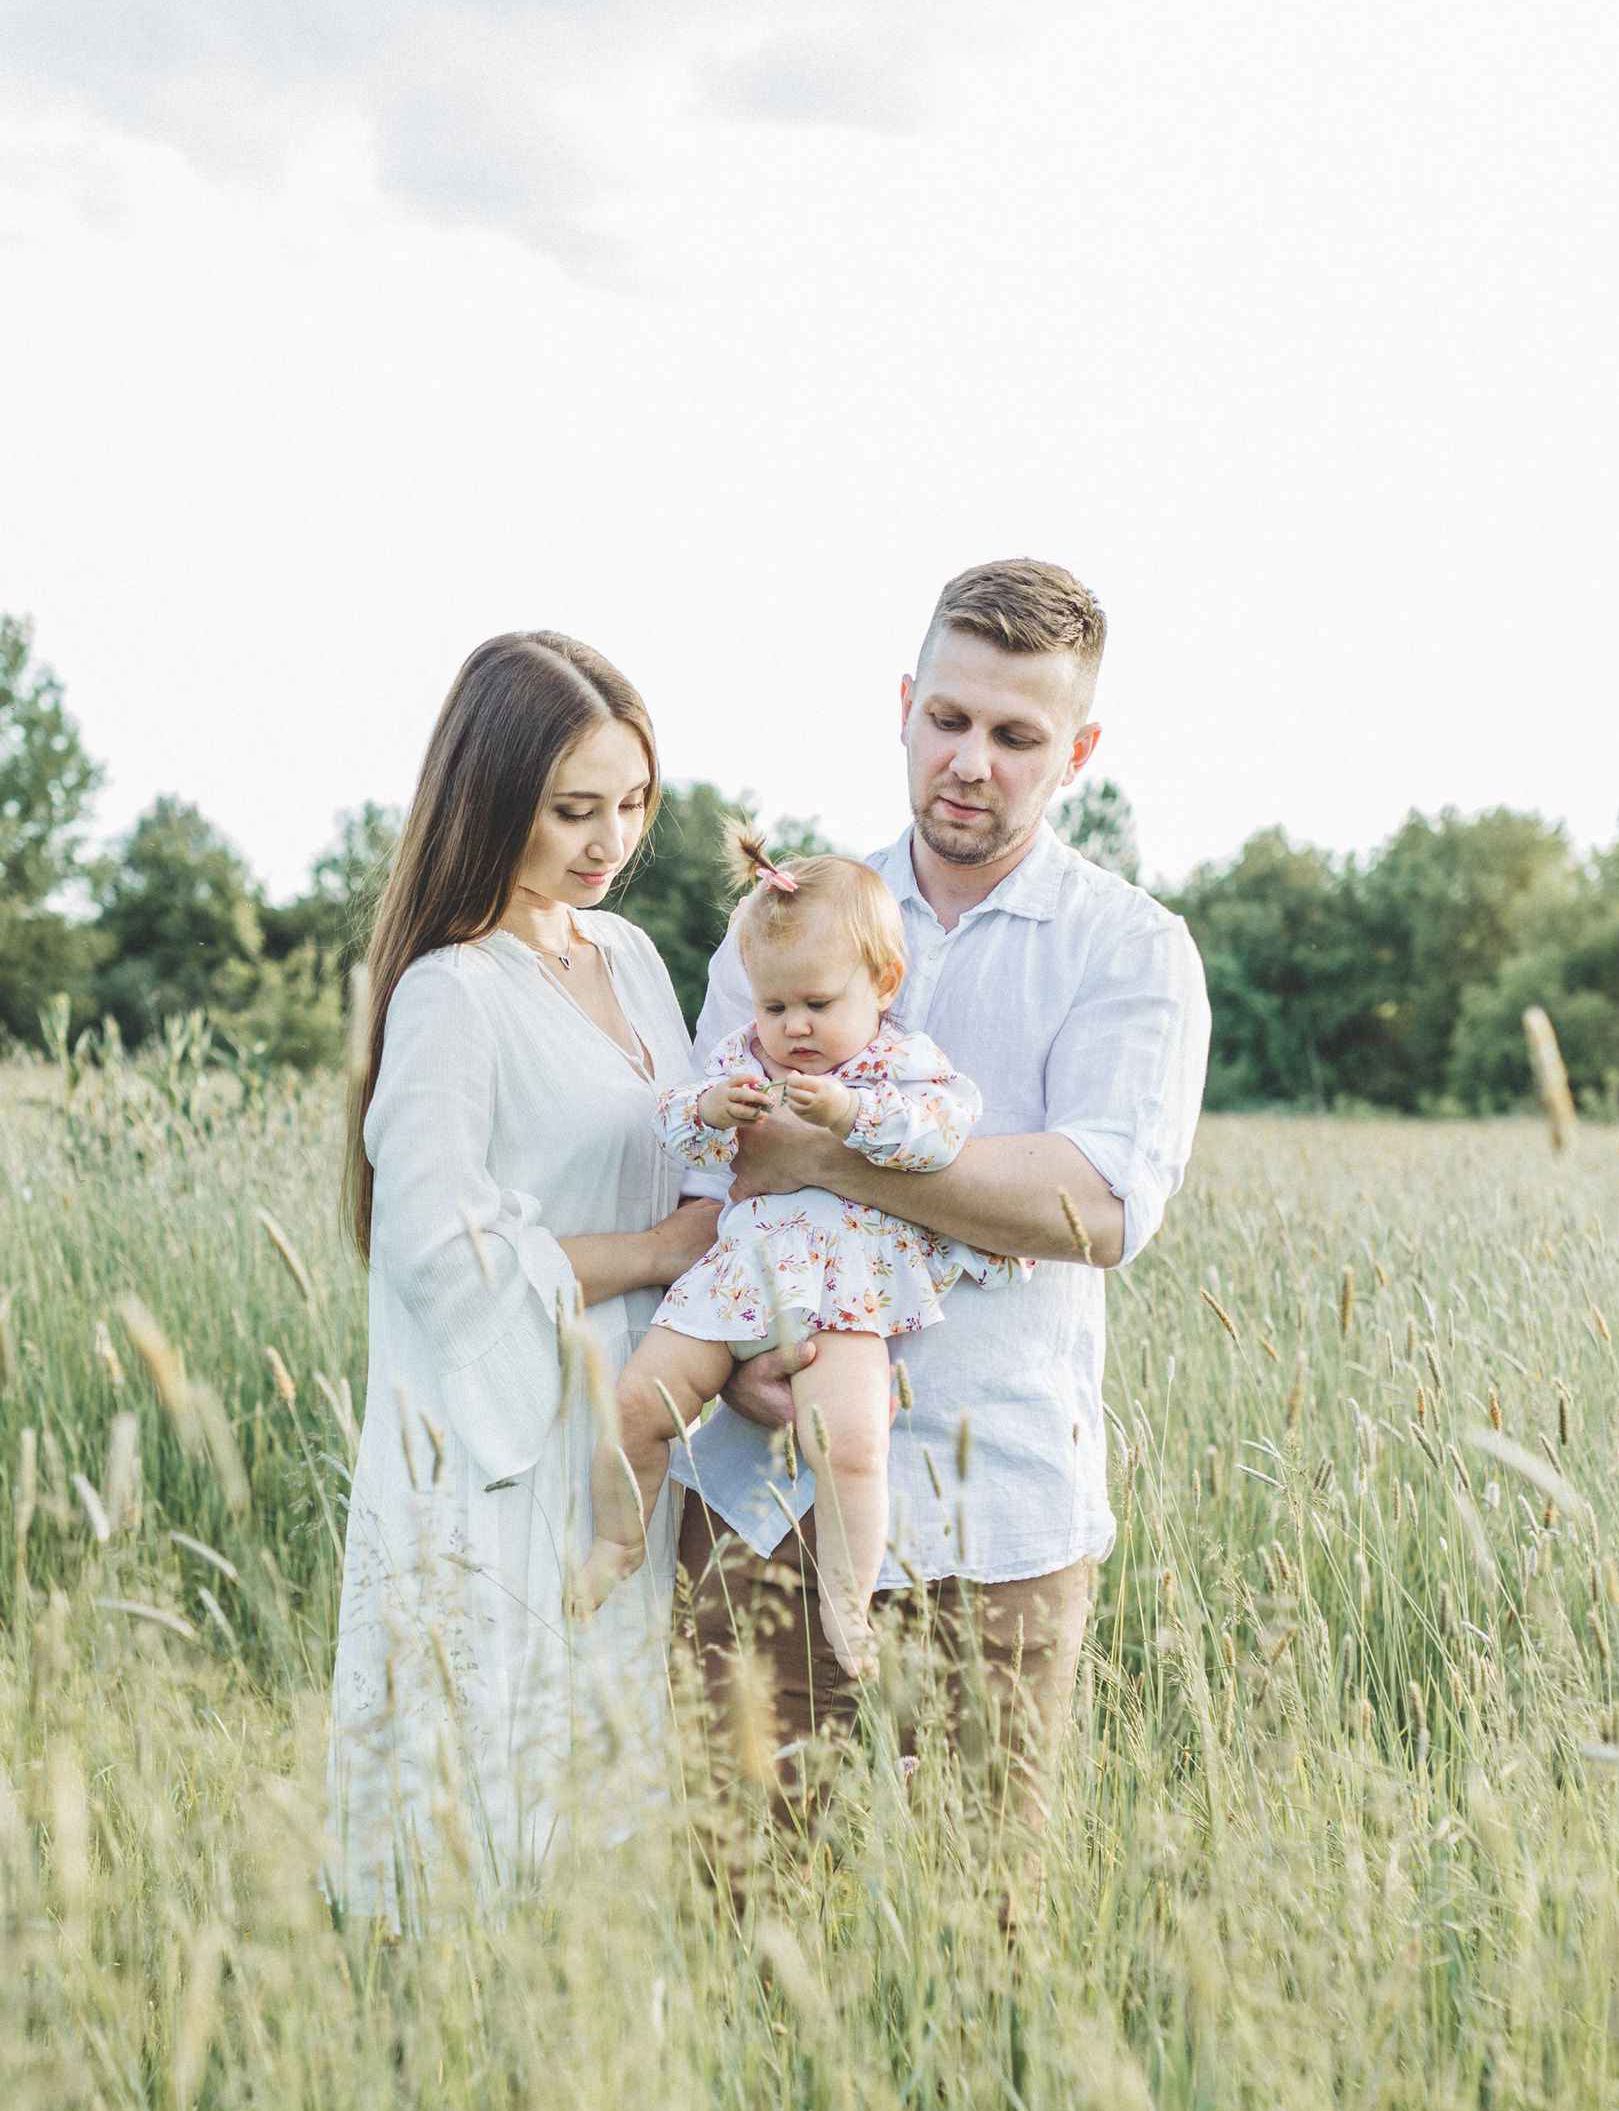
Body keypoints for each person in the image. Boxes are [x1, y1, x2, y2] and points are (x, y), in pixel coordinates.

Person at [675, 557, 1210, 1864]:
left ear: (1076, 752)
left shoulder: (1129, 948)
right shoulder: (786, 919)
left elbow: (1093, 1205)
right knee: (736, 1906)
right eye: (949, 719)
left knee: (983, 1930)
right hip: (766, 1499)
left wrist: (831, 1160)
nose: (971, 762)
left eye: (1016, 736)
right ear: (905, 706)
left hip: (1001, 1518)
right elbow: (705, 1182)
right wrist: (736, 1370)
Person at [328, 632, 718, 1922]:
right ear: (492, 796)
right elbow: (439, 1250)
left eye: (633, 803)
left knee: (610, 1801)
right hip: (505, 1443)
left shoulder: (633, 959)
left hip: (632, 1440)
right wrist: (657, 1252)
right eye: (572, 810)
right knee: (488, 1791)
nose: (610, 841)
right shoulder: (451, 993)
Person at [574, 831, 1023, 1675]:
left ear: (883, 984)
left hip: (846, 1289)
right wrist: (712, 1110)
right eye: (774, 1007)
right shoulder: (744, 1060)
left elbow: (940, 1137)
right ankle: (617, 1541)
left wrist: (850, 1116)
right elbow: (674, 1130)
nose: (795, 1027)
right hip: (738, 1278)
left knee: (851, 1445)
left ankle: (847, 1602)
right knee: (638, 1403)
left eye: (817, 1003)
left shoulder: (899, 1064)